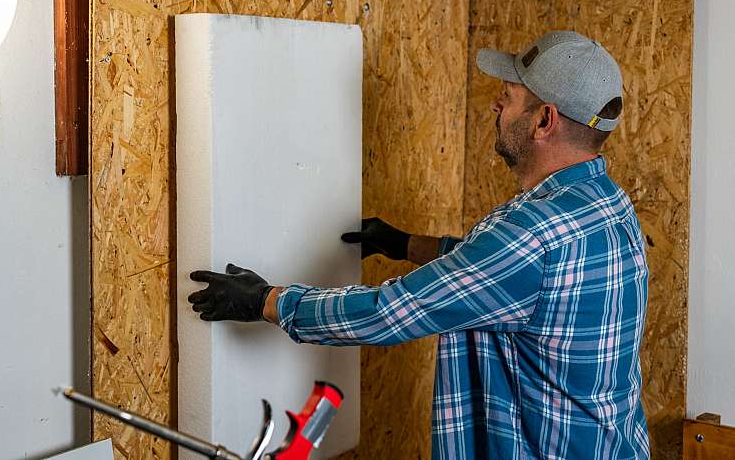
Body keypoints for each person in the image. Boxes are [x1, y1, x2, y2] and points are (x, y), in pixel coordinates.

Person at [187, 31, 650, 459]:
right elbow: (505, 278)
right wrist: (404, 244)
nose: (495, 106)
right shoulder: (605, 203)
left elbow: (390, 311)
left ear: (544, 120)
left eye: (508, 99)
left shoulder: (534, 233)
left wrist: (266, 301)